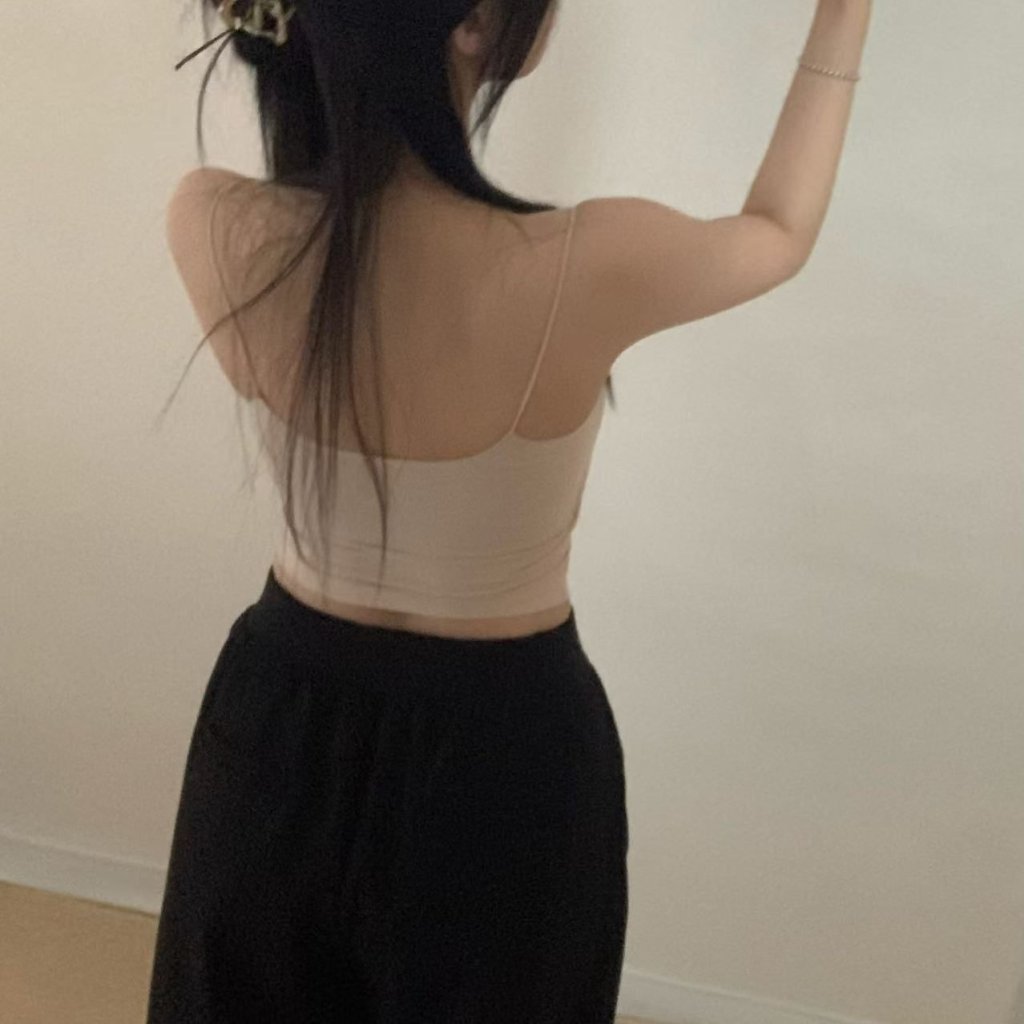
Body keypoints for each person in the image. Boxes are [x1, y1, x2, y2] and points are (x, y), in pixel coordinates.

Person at [148, 1, 872, 1020]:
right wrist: (844, 14)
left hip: (278, 723)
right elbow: (778, 233)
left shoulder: (215, 222)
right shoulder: (590, 259)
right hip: (505, 753)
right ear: (476, 21)